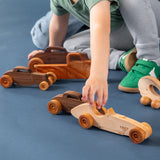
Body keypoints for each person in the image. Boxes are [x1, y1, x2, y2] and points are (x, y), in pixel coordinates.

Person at [28, 0, 160, 109]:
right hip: (123, 31)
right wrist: (53, 52)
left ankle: (150, 58)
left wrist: (98, 75)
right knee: (70, 45)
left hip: (149, 19)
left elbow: (100, 26)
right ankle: (123, 59)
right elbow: (58, 22)